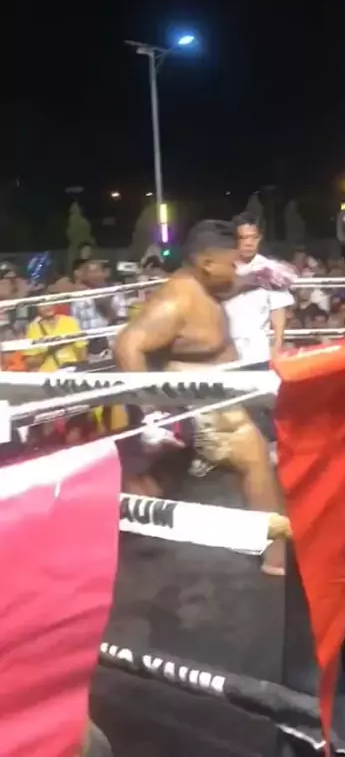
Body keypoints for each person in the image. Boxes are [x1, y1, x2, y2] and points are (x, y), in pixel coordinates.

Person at [115, 219, 286, 575]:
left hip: (205, 395)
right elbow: (128, 345)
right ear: (206, 262)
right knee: (254, 461)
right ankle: (277, 559)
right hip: (200, 400)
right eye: (231, 263)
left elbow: (227, 285)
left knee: (161, 479)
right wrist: (153, 411)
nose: (236, 270)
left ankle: (98, 526)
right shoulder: (176, 300)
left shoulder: (204, 284)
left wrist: (258, 278)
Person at [226, 213, 294, 362]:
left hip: (256, 348)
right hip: (225, 346)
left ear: (260, 238)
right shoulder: (222, 267)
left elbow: (278, 310)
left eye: (253, 238)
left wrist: (278, 345)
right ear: (235, 239)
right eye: (243, 238)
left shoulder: (271, 270)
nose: (249, 243)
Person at [24, 297, 87, 372]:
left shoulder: (70, 321)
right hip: (49, 374)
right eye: (42, 306)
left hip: (72, 370)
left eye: (49, 303)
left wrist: (83, 370)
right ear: (36, 309)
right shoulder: (33, 328)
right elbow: (30, 362)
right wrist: (48, 350)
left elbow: (81, 350)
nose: (47, 307)